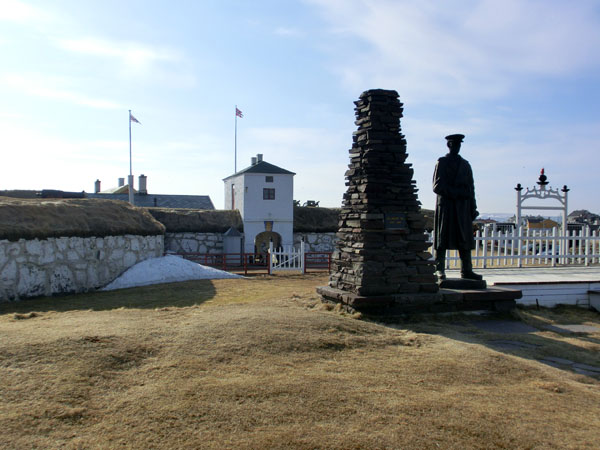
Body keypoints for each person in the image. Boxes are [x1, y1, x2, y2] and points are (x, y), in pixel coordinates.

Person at [432, 134, 482, 281]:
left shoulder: (466, 165)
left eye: (459, 144)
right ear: (449, 145)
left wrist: (473, 207)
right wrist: (456, 193)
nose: (457, 147)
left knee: (464, 238)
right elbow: (437, 186)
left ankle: (467, 270)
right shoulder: (442, 162)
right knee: (442, 238)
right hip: (446, 206)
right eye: (454, 144)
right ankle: (439, 269)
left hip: (462, 207)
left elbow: (471, 188)